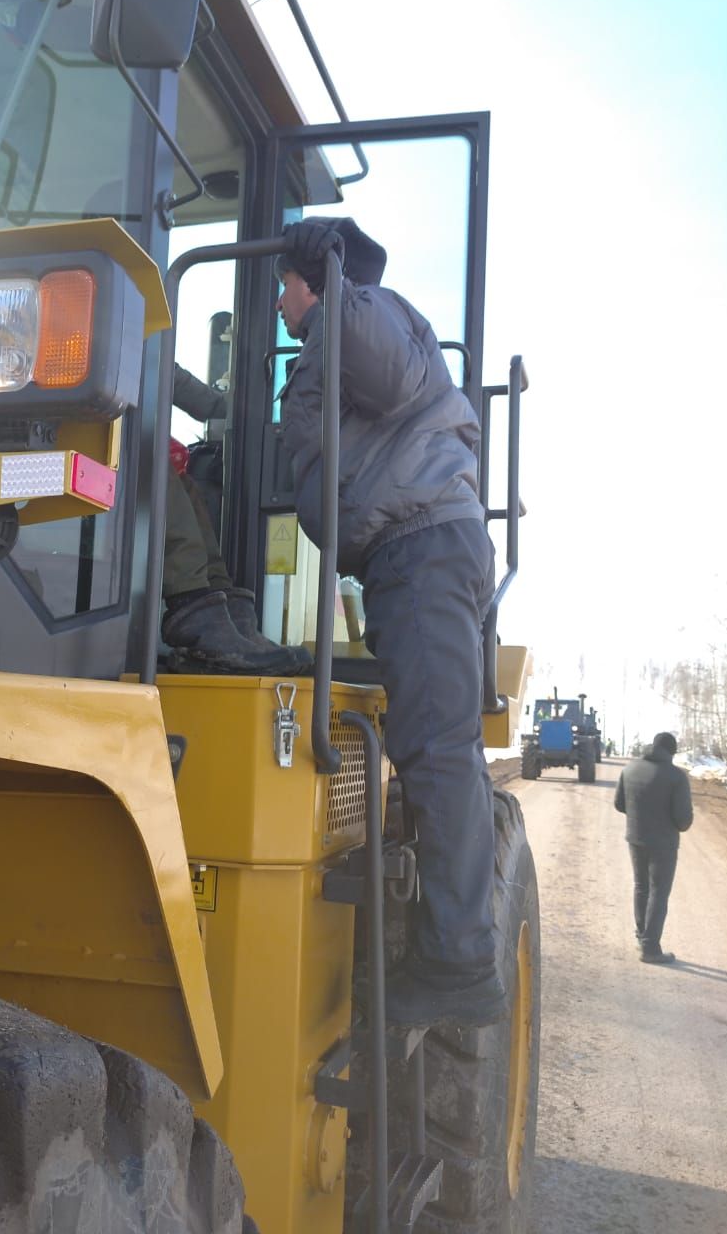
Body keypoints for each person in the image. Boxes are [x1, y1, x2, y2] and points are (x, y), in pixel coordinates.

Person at [276, 217, 502, 1027]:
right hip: (406, 554)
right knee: (433, 744)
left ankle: (457, 965)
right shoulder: (340, 336)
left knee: (438, 748)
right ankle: (451, 953)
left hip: (423, 546)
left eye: (283, 285)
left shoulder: (366, 313)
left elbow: (376, 358)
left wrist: (330, 272)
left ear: (310, 282)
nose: (277, 302)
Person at [163, 364, 307, 675]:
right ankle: (193, 608)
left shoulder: (137, 334)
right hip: (87, 432)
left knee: (184, 484)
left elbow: (166, 372)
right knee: (157, 470)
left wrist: (242, 411)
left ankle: (223, 607)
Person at [614, 731, 693, 964]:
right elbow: (683, 821)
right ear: (672, 751)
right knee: (659, 892)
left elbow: (619, 804)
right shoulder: (676, 777)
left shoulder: (630, 769)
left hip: (635, 838)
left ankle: (642, 936)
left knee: (641, 886)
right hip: (663, 844)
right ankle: (650, 948)